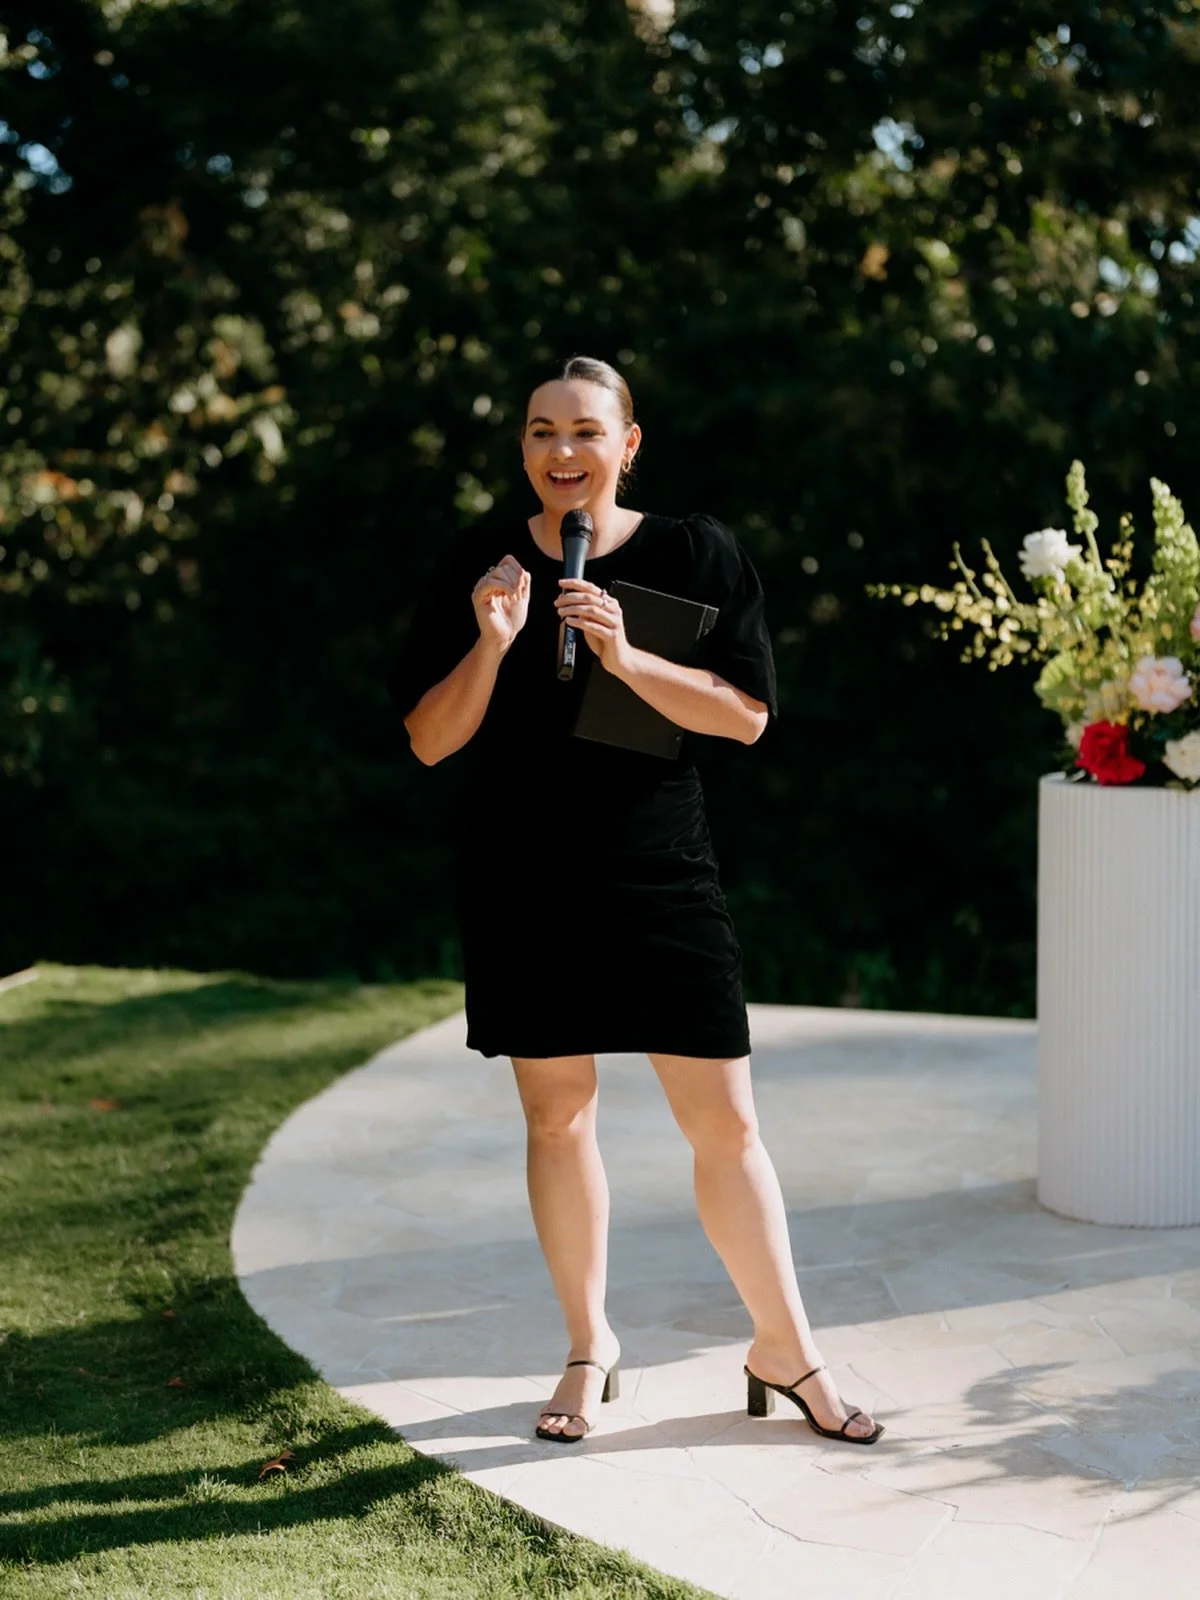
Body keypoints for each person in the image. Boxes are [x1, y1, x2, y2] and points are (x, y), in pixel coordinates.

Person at [387, 355, 883, 1446]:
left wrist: (624, 653)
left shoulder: (696, 551)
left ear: (628, 443)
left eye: (584, 432)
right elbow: (429, 740)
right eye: (541, 433)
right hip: (522, 874)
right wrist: (492, 643)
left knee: (728, 1125)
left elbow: (744, 717)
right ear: (523, 447)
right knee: (558, 1118)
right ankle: (587, 1345)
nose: (562, 453)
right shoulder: (480, 561)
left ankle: (785, 1348)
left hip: (659, 871)